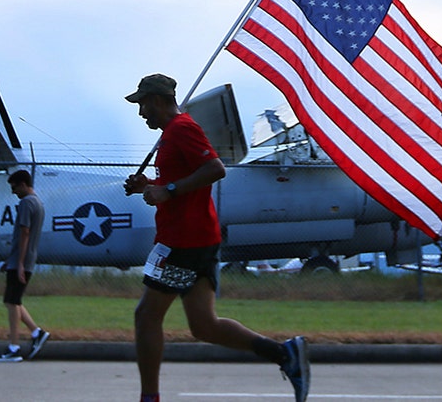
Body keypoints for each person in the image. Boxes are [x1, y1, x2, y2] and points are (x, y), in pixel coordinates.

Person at [122, 74, 311, 402]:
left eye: (142, 104)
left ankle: (149, 397)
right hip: (195, 240)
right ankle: (285, 353)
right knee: (204, 326)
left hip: (181, 242)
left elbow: (215, 169)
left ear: (156, 99)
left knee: (146, 316)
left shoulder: (182, 128)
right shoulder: (173, 133)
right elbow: (180, 181)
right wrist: (150, 185)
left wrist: (166, 190)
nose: (141, 113)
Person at [0, 169, 52, 363]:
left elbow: (24, 233)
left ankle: (14, 347)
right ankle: (36, 333)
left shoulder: (26, 203)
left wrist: (18, 263)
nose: (13, 191)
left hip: (22, 260)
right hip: (23, 259)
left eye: (14, 187)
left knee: (12, 303)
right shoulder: (38, 203)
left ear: (24, 184)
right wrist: (10, 261)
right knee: (13, 300)